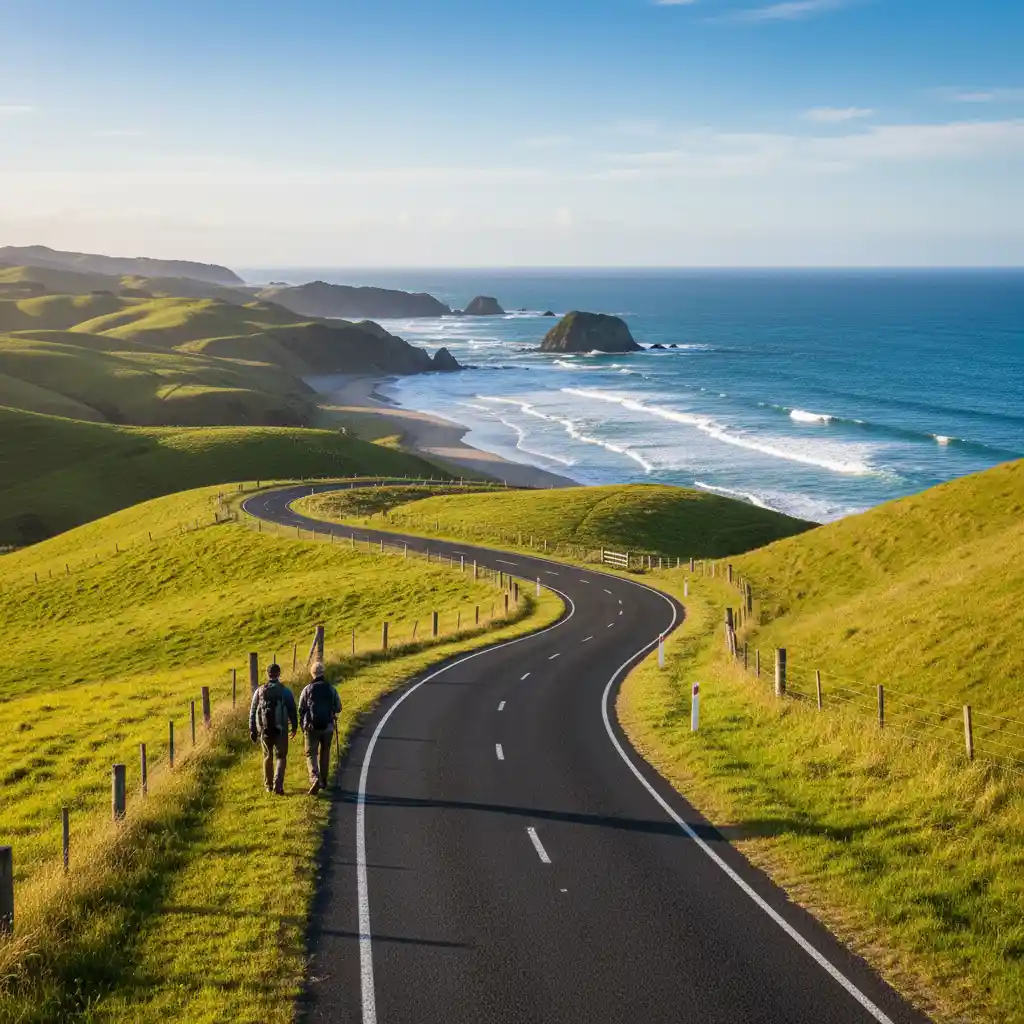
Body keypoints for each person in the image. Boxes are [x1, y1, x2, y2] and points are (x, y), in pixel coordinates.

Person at [249, 663, 297, 795]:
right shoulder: (285, 691)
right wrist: (294, 726)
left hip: (264, 730)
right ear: (279, 674)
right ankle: (278, 784)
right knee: (281, 757)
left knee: (267, 756)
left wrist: (252, 729)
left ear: (267, 674)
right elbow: (292, 709)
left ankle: (268, 786)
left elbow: (253, 711)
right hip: (281, 730)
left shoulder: (259, 691)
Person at [298, 662, 342, 795]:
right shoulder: (331, 689)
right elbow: (339, 707)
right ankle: (323, 780)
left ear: (312, 674)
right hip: (328, 726)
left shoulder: (307, 689)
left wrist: (303, 723)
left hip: (312, 727)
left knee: (311, 753)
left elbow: (301, 708)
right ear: (323, 673)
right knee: (325, 752)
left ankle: (314, 777)